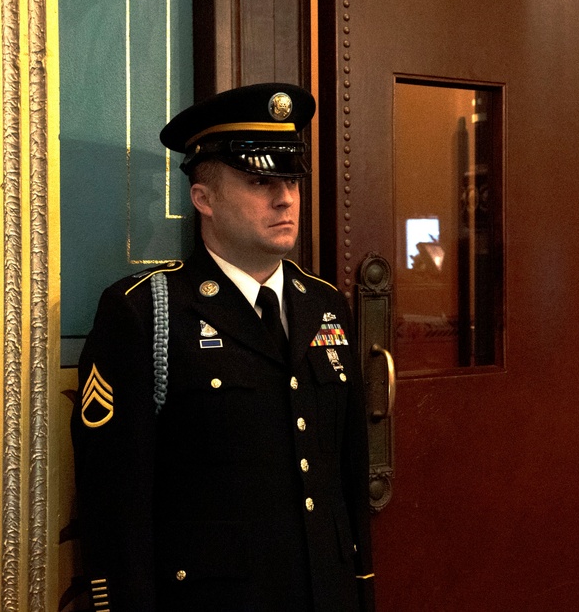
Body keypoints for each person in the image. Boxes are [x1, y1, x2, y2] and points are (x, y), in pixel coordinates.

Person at [71, 83, 375, 612]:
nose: (285, 197)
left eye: (291, 180)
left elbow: (346, 475)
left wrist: (362, 588)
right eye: (260, 180)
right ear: (203, 198)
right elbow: (115, 505)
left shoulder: (325, 305)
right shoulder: (147, 311)